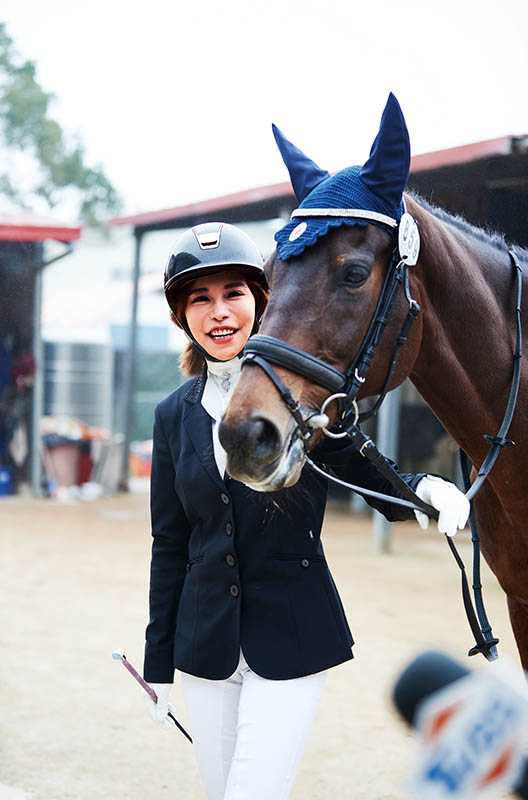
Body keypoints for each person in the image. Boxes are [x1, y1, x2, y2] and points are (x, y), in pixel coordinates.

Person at [143, 221, 470, 800]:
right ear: (182, 318)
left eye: (233, 295)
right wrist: (158, 661)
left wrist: (423, 487)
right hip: (207, 644)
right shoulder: (173, 414)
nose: (219, 313)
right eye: (201, 300)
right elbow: (170, 543)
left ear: (262, 303)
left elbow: (363, 471)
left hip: (291, 635)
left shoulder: (302, 397)